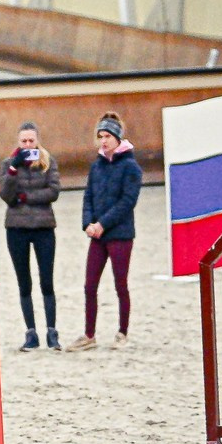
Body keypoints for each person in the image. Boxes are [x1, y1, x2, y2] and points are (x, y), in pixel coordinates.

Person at [67, 112, 143, 352]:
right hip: (97, 236)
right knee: (90, 285)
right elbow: (88, 196)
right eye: (100, 136)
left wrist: (103, 224)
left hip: (120, 234)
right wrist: (87, 223)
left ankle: (122, 332)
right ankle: (89, 334)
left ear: (117, 137)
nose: (103, 141)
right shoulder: (97, 166)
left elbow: (127, 201)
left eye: (108, 136)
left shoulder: (130, 167)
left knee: (120, 284)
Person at [0, 122, 62, 351]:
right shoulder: (8, 164)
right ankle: (31, 332)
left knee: (47, 281)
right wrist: (13, 171)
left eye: (31, 141)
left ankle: (52, 332)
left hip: (44, 227)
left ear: (37, 141)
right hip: (17, 228)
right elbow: (6, 195)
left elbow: (53, 191)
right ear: (18, 142)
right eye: (23, 141)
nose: (27, 145)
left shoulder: (47, 162)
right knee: (24, 282)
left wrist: (25, 198)